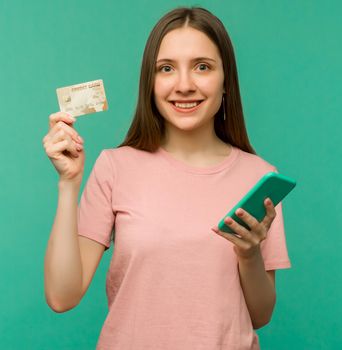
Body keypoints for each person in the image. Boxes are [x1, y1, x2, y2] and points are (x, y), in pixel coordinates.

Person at [43, 6, 291, 350]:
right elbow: (61, 296)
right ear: (151, 82)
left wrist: (249, 255)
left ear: (225, 81)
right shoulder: (116, 166)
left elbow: (261, 314)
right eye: (166, 68)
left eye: (202, 67)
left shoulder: (259, 177)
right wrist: (68, 183)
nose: (184, 85)